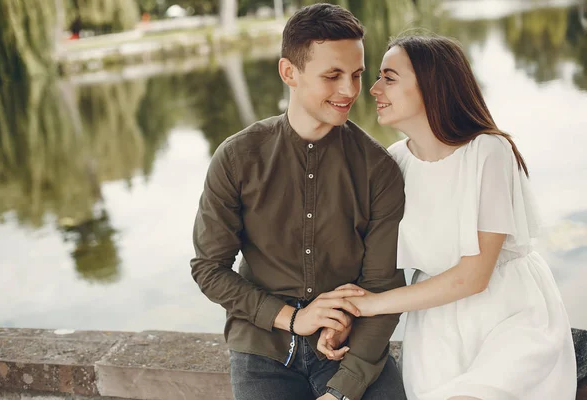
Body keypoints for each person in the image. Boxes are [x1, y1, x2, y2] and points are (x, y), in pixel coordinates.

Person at [318, 35, 577, 400]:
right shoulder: (393, 162)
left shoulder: (488, 151)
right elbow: (373, 258)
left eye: (389, 78)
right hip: (435, 324)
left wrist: (370, 304)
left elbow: (474, 276)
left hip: (510, 313)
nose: (373, 89)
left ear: (431, 85)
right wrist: (347, 316)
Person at [191, 4, 407, 400]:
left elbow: (383, 288)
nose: (349, 90)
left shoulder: (379, 169)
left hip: (351, 342)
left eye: (357, 74)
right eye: (332, 76)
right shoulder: (237, 157)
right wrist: (293, 318)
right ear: (289, 72)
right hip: (262, 346)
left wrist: (343, 389)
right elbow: (209, 268)